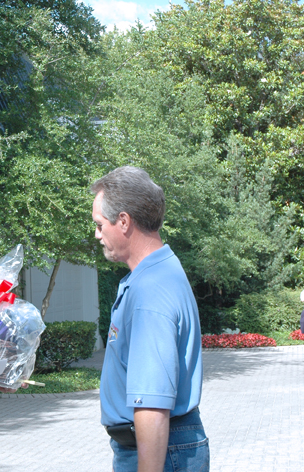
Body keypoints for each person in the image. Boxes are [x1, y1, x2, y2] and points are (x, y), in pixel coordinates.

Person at [91, 166, 209, 472]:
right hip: (168, 447)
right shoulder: (159, 273)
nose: (97, 234)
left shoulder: (150, 290)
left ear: (124, 221)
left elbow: (152, 404)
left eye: (100, 225)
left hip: (159, 451)